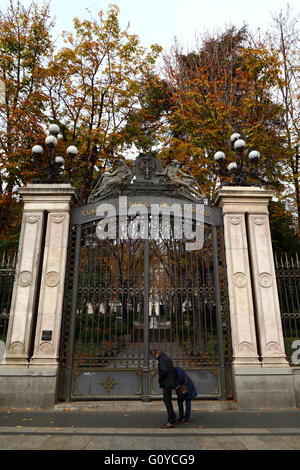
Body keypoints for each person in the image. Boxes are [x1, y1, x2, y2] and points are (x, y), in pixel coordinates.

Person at [153, 349, 176, 429]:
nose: (155, 357)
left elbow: (164, 370)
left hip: (166, 383)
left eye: (155, 355)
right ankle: (173, 416)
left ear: (157, 354)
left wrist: (160, 379)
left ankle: (170, 421)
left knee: (167, 401)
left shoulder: (162, 359)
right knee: (168, 400)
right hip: (170, 382)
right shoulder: (168, 358)